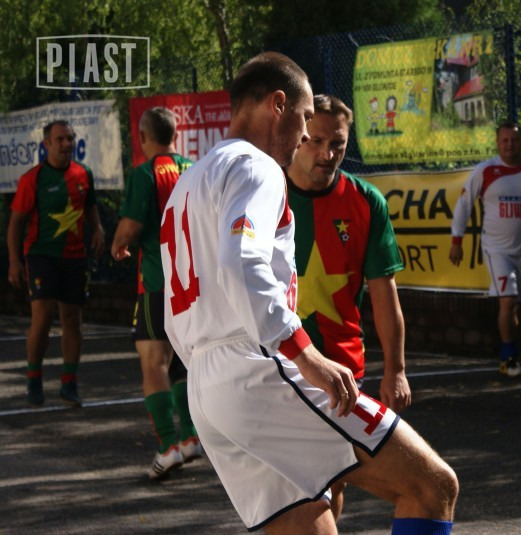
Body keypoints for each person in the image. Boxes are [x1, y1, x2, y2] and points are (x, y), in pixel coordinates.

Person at [160, 52, 457, 534]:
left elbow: (181, 298)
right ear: (277, 104)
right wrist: (306, 355)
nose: (303, 136)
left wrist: (212, 372)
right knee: (431, 487)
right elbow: (241, 261)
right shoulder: (256, 165)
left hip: (206, 383)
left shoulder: (189, 180)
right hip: (255, 368)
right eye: (303, 119)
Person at [285, 93, 410, 520]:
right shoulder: (264, 192)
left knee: (332, 480)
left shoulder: (365, 201)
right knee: (293, 489)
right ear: (298, 136)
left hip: (342, 369)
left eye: (337, 143)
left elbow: (384, 293)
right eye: (316, 141)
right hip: (276, 365)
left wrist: (395, 369)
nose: (327, 153)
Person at [110, 107, 202, 480]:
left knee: (153, 362)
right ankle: (191, 436)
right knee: (180, 362)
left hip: (157, 282)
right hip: (194, 285)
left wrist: (118, 244)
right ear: (175, 135)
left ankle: (167, 446)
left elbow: (130, 227)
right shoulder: (195, 169)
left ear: (143, 137)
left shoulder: (145, 173)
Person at [449, 121, 521, 377]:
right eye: (505, 140)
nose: (510, 145)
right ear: (497, 143)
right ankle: (507, 358)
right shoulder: (486, 170)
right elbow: (464, 204)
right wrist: (457, 241)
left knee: (515, 306)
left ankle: (512, 352)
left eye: (515, 140)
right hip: (497, 249)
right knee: (508, 301)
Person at [7, 120, 105, 407]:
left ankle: (69, 383)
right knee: (43, 316)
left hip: (75, 257)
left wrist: (98, 229)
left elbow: (90, 206)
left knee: (72, 319)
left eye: (70, 139)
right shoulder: (33, 179)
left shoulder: (83, 173)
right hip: (41, 255)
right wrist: (14, 261)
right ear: (46, 144)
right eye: (60, 139)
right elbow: (16, 223)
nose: (66, 144)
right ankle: (34, 378)